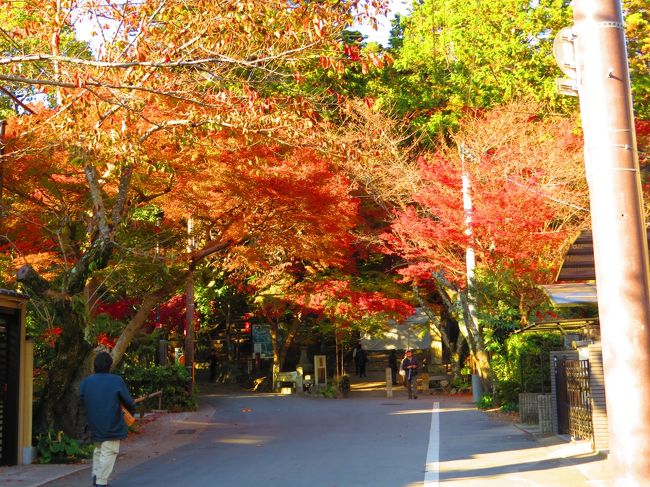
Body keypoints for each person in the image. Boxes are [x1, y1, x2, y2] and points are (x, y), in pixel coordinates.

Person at [80, 351, 136, 487]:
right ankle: (101, 482)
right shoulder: (116, 380)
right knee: (109, 451)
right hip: (111, 422)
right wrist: (132, 410)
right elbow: (128, 402)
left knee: (99, 449)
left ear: (95, 365)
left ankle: (96, 476)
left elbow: (82, 400)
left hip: (93, 422)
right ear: (109, 365)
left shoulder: (86, 382)